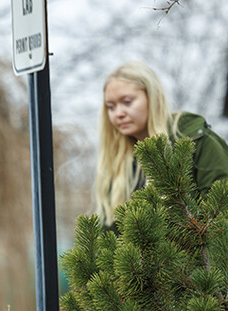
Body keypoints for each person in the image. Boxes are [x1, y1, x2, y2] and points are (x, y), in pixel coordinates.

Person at [96, 61, 228, 226]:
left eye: (127, 101)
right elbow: (110, 235)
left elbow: (221, 210)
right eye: (111, 107)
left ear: (153, 98)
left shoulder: (197, 141)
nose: (119, 113)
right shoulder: (119, 163)